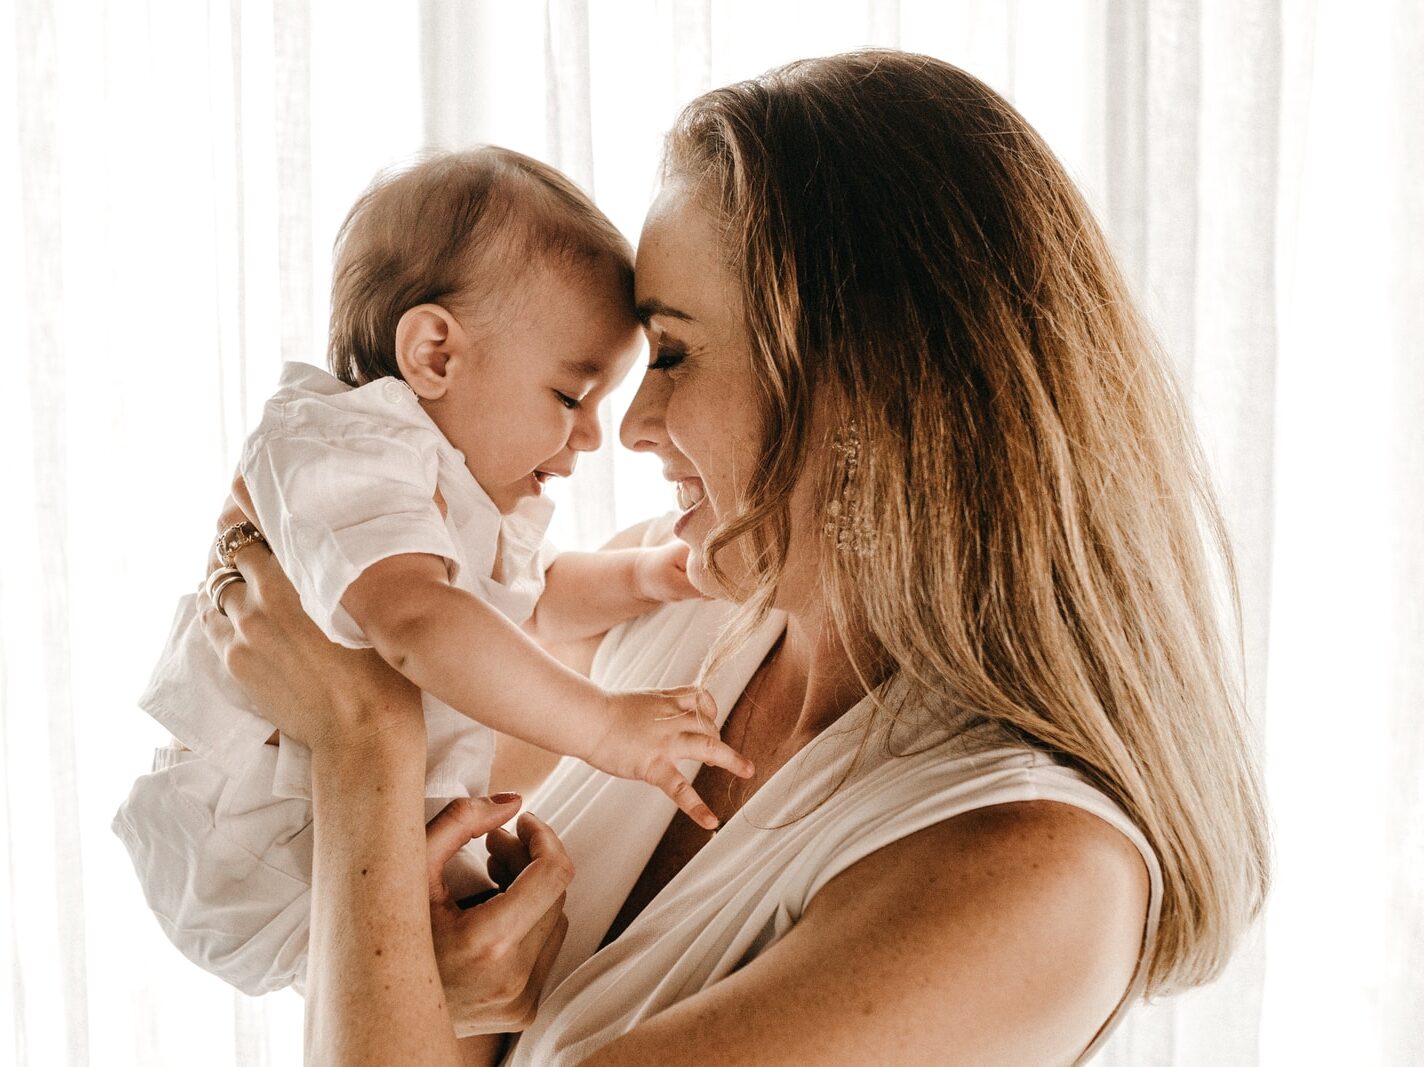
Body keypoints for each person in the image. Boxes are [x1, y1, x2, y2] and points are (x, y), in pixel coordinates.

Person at [187, 51, 1270, 1065]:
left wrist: (363, 732)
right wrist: (454, 991)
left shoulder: (1031, 872)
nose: (631, 425)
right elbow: (421, 1004)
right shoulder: (655, 614)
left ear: (862, 379)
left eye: (671, 352)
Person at [112, 147, 751, 997]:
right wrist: (604, 726)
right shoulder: (345, 444)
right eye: (571, 396)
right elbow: (419, 622)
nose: (597, 434)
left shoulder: (455, 486)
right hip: (265, 833)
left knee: (506, 966)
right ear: (435, 355)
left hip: (359, 820)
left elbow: (525, 603)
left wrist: (647, 577)